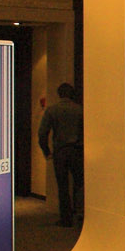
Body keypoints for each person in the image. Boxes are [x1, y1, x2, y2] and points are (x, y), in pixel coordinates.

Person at [37, 83, 83, 227]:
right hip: (77, 150)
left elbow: (42, 133)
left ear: (59, 94)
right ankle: (81, 214)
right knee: (79, 184)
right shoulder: (80, 110)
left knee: (62, 185)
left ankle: (66, 218)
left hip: (60, 151)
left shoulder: (52, 110)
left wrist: (47, 151)